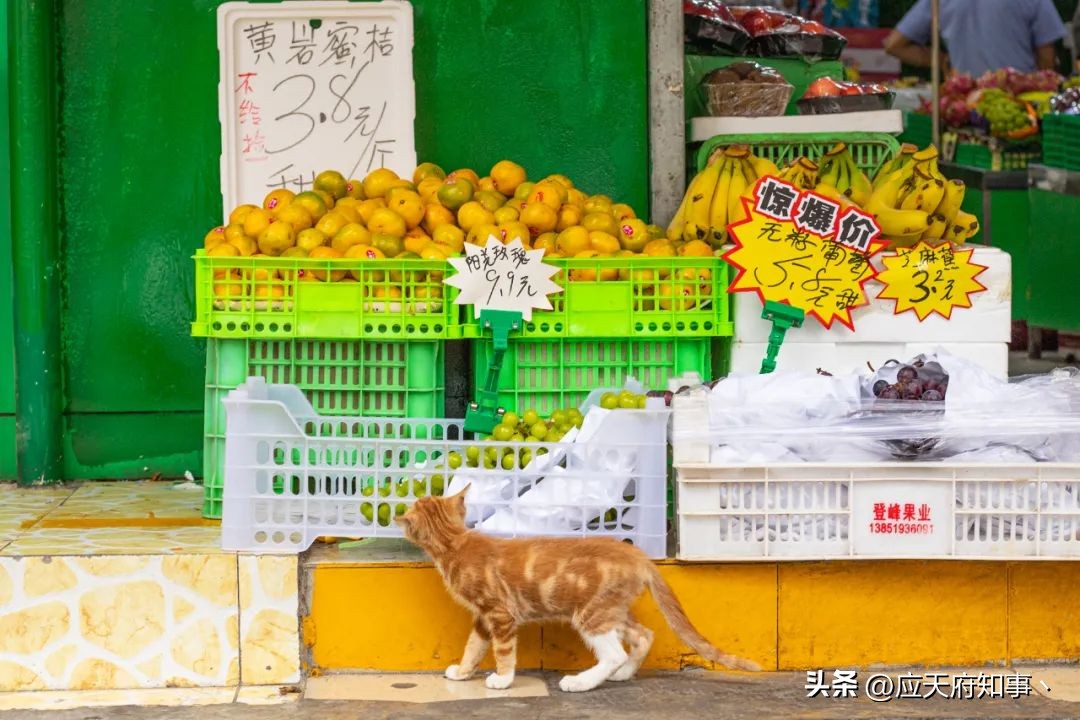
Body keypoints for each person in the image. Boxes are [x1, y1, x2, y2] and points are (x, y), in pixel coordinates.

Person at [884, 0, 1065, 77]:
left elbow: (894, 45)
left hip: (964, 102)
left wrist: (942, 60)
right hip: (1020, 104)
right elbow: (1046, 56)